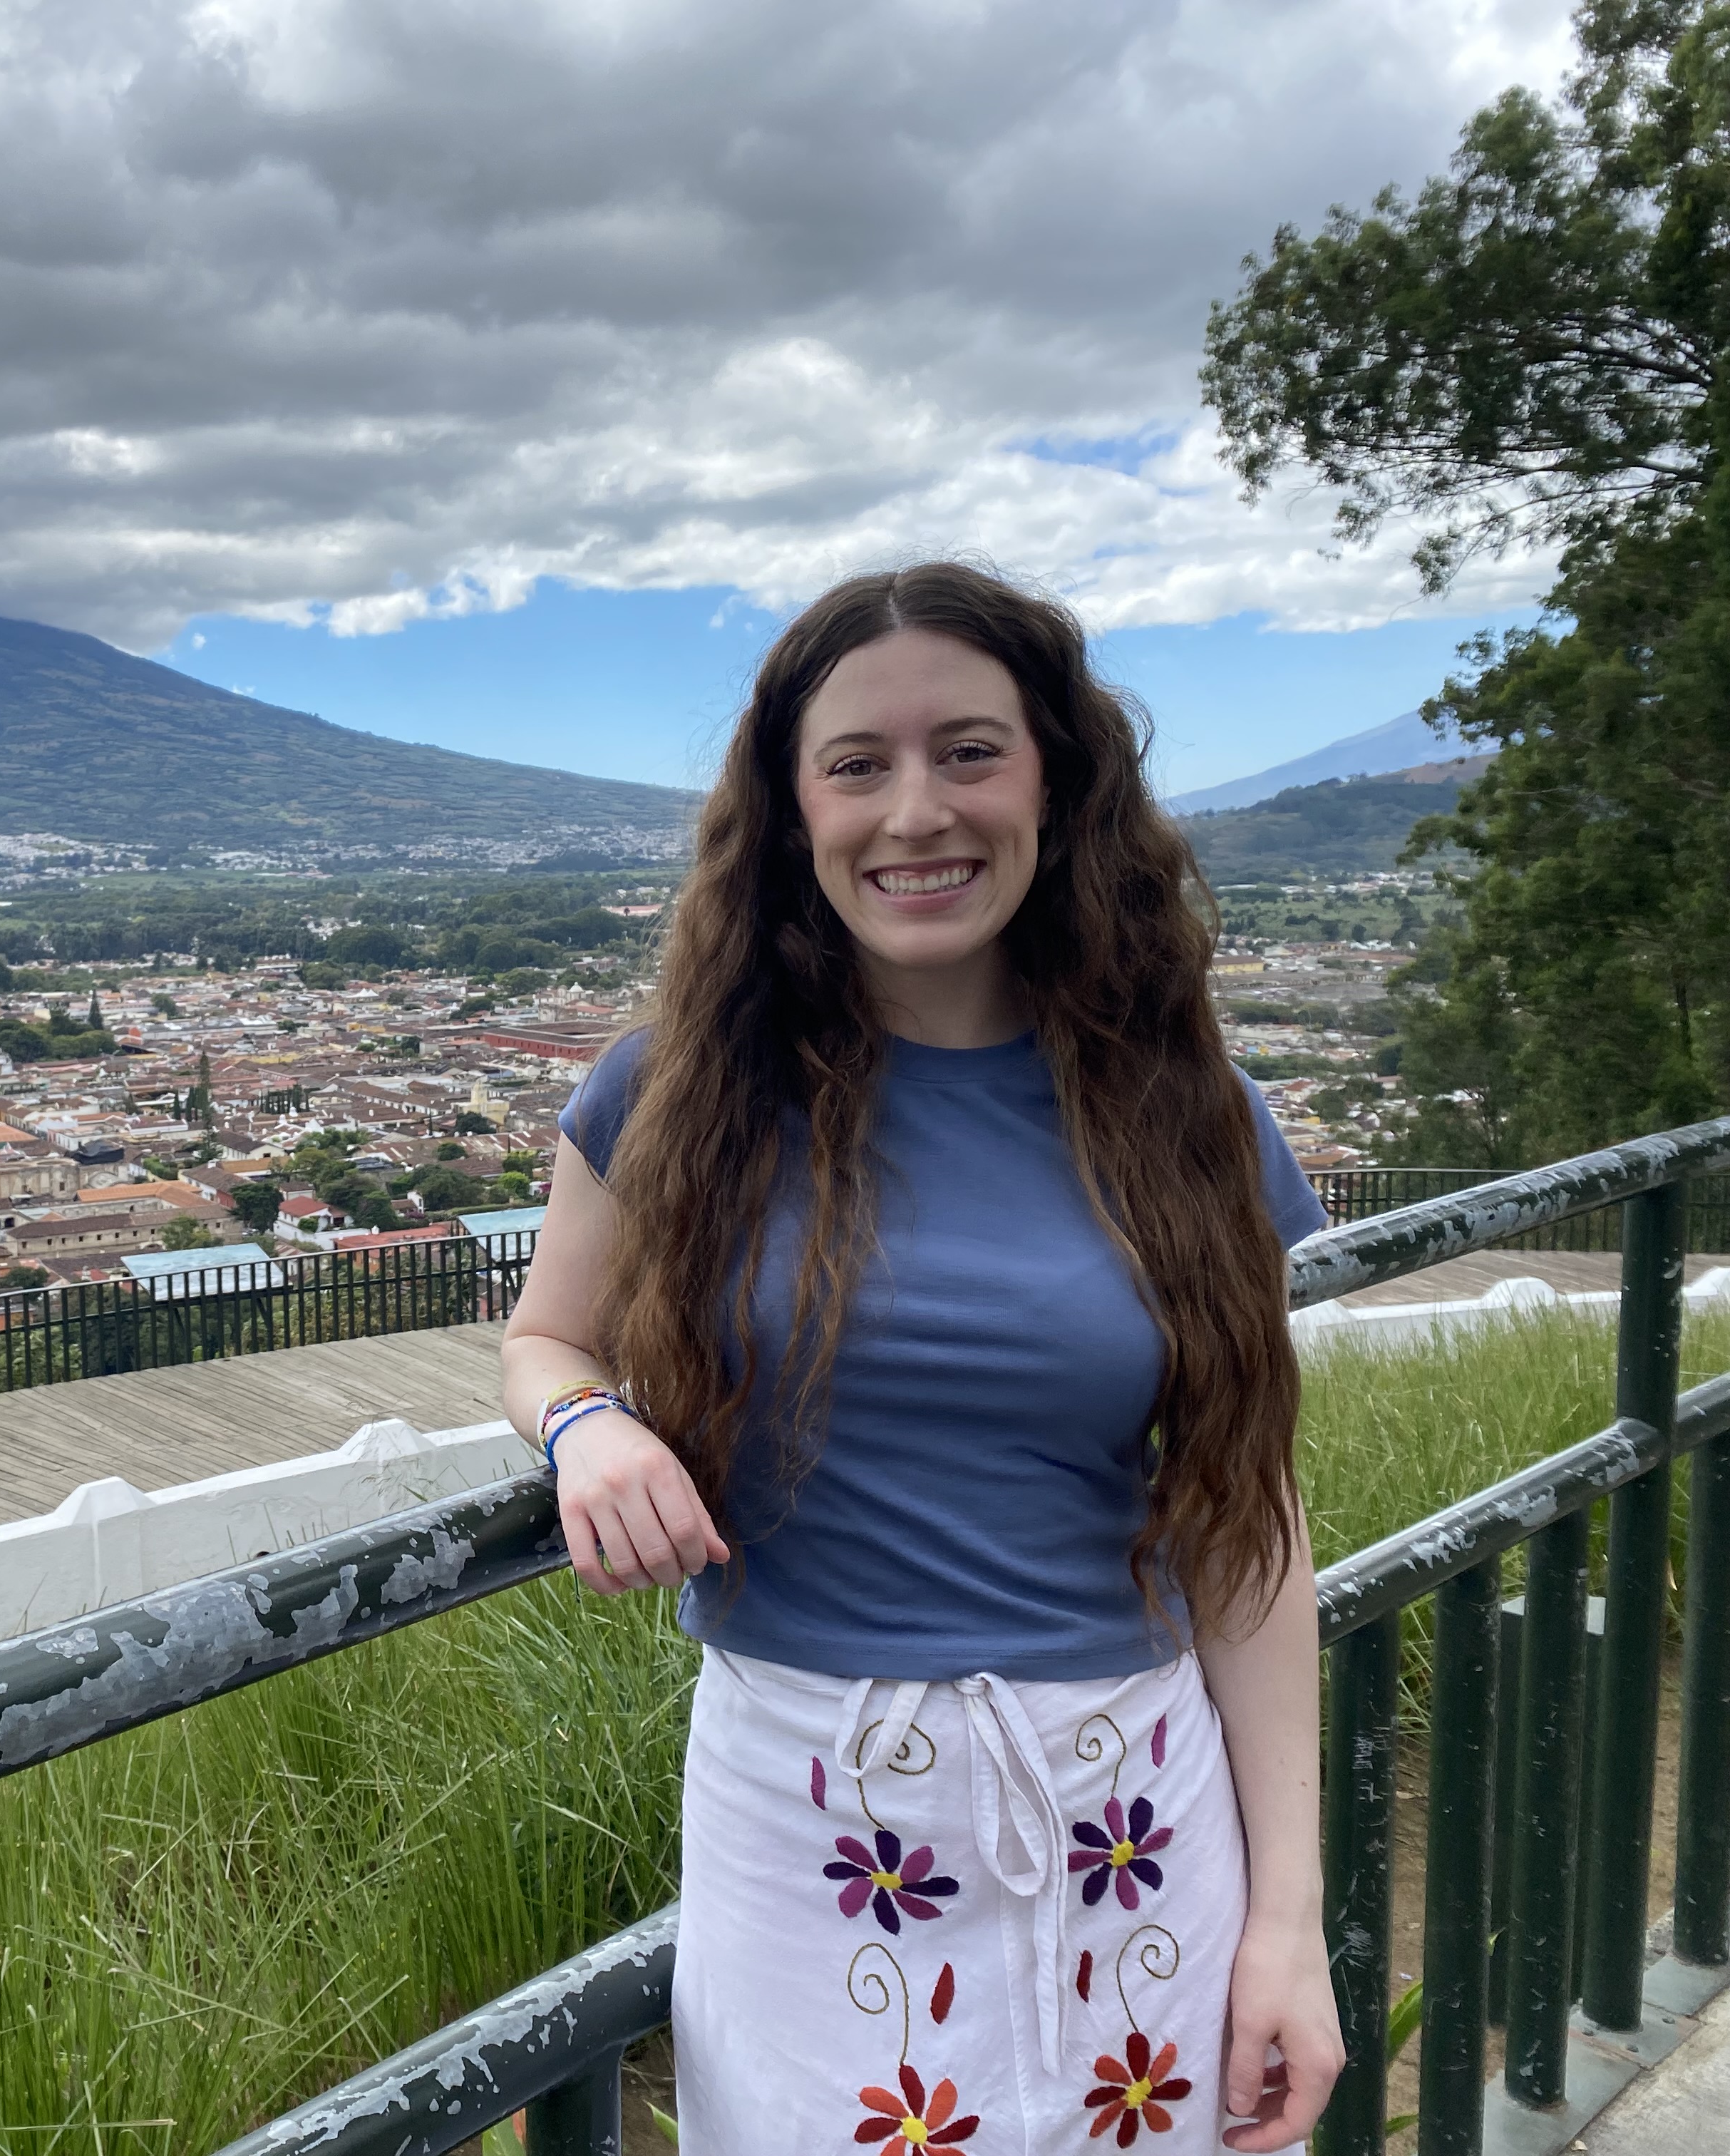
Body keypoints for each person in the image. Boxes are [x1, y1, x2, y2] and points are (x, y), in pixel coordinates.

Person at [503, 563, 1344, 2154]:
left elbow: (1247, 1517)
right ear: (791, 805)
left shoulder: (1188, 1119)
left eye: (970, 751)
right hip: (808, 1815)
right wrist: (588, 1427)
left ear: (1057, 779)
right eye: (858, 764)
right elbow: (549, 1334)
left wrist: (1286, 1927)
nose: (916, 813)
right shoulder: (671, 1095)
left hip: (1132, 1812)